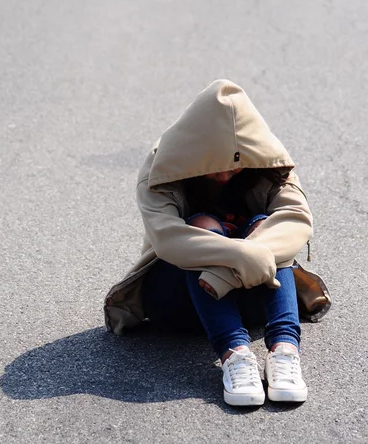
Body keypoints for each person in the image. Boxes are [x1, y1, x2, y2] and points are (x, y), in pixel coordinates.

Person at [104, 80, 331, 406]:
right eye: (214, 168)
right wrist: (237, 254)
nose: (225, 176)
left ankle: (284, 350)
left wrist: (232, 268)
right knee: (201, 227)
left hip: (252, 296)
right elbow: (169, 239)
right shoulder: (162, 165)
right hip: (177, 302)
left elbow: (296, 221)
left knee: (267, 227)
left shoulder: (269, 160)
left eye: (235, 167)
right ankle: (235, 354)